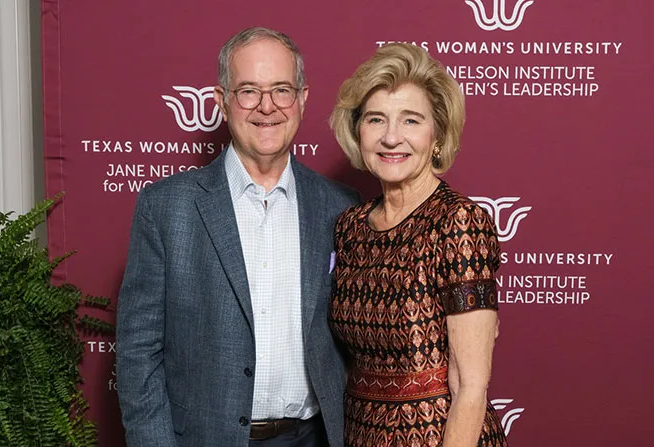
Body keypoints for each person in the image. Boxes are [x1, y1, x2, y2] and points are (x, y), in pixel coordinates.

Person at [116, 27, 359, 447]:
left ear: (302, 99)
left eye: (282, 90)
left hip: (313, 438)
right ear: (221, 102)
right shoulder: (166, 207)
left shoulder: (340, 207)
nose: (267, 107)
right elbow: (138, 353)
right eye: (248, 91)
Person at [328, 43, 507, 446]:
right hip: (360, 434)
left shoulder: (458, 223)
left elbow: (469, 386)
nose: (391, 137)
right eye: (376, 120)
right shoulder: (350, 227)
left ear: (437, 135)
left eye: (410, 120)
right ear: (358, 131)